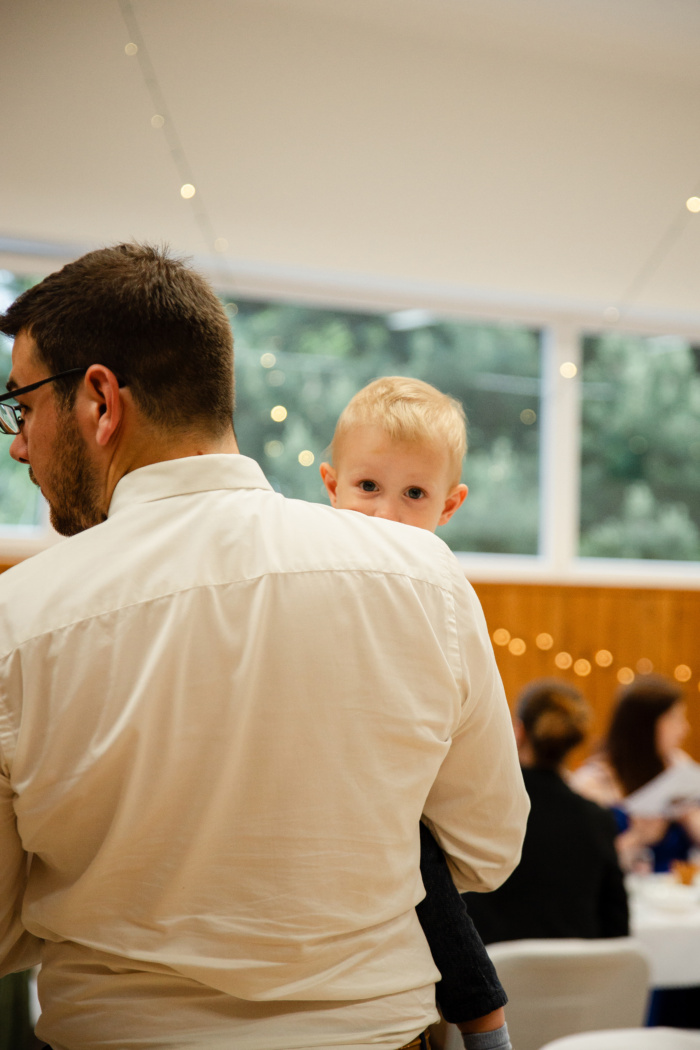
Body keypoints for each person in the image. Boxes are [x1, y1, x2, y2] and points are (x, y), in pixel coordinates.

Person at [0, 244, 529, 1050]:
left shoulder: (18, 619)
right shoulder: (423, 578)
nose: (18, 444)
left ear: (101, 400)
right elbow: (487, 848)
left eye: (23, 406)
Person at [320, 377, 511, 1050]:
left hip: (393, 802)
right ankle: (485, 1022)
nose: (387, 514)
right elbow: (491, 839)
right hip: (340, 790)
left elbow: (489, 839)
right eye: (368, 486)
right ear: (331, 485)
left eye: (414, 495)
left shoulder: (441, 596)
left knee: (417, 852)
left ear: (450, 505)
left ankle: (486, 1022)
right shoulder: (315, 574)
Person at [464, 679, 629, 945]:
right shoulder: (597, 819)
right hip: (576, 969)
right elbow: (617, 927)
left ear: (518, 732)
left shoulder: (480, 808)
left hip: (491, 966)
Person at [571, 675, 700, 873]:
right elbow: (578, 862)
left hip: (677, 890)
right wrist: (637, 838)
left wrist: (690, 817)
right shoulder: (593, 783)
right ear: (645, 725)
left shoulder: (679, 766)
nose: (685, 729)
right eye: (675, 718)